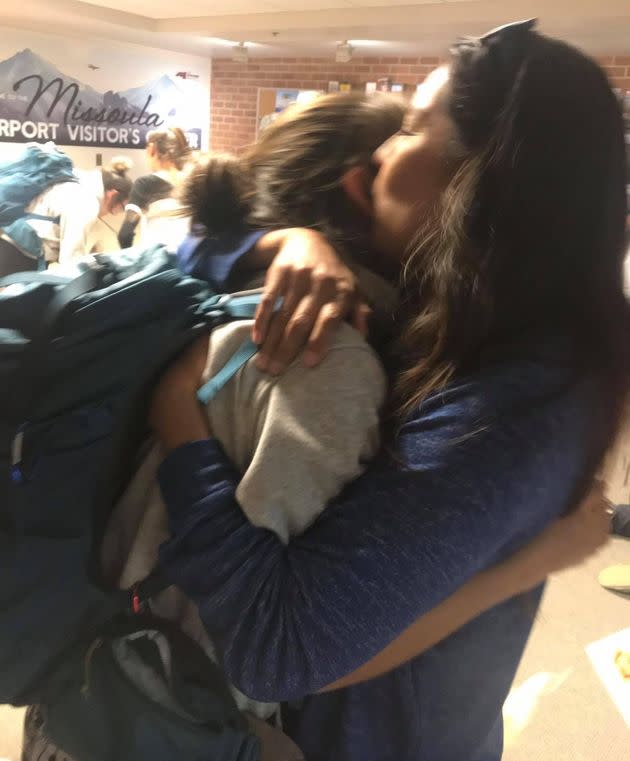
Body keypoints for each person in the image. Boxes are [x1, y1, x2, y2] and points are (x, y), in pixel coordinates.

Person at [149, 20, 629, 761]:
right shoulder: (465, 311)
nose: (377, 158)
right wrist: (284, 242)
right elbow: (182, 251)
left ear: (479, 176)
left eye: (409, 127)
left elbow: (277, 647)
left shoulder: (518, 403)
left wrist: (180, 410)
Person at [0, 156, 132, 271]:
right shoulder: (86, 202)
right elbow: (71, 264)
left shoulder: (77, 178)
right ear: (112, 194)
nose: (113, 214)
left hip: (11, 244)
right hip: (17, 258)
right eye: (119, 208)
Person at [117, 127, 191, 249]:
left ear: (151, 149)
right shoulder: (193, 183)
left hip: (159, 263)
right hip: (189, 263)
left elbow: (125, 234)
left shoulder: (145, 184)